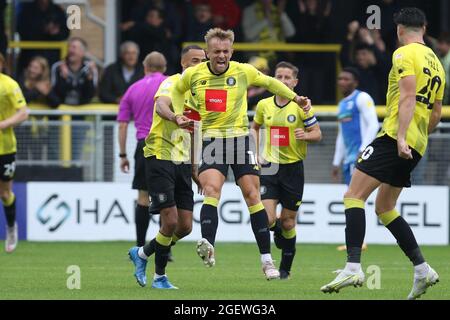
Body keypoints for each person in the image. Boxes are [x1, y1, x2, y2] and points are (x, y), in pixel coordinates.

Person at [321, 7, 446, 300]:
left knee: (353, 196)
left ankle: (353, 266)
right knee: (384, 208)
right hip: (418, 143)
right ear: (424, 29)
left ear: (400, 30)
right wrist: (415, 139)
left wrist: (401, 137)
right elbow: (437, 112)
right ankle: (422, 269)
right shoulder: (437, 62)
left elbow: (407, 95)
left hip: (393, 137)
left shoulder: (403, 54)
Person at [170, 28, 311, 280]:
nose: (221, 56)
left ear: (232, 51)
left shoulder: (242, 70)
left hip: (239, 139)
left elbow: (269, 82)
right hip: (213, 141)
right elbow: (177, 91)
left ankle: (267, 262)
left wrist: (295, 97)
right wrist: (180, 113)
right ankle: (208, 245)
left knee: (252, 195)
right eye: (216, 52)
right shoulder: (193, 75)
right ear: (207, 53)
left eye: (226, 51)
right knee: (211, 191)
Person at [128, 45, 206, 289]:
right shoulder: (172, 84)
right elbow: (161, 106)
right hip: (159, 156)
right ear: (183, 64)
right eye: (193, 60)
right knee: (170, 221)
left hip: (183, 161)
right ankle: (159, 277)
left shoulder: (201, 94)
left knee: (185, 226)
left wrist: (195, 168)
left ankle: (141, 253)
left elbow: (196, 133)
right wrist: (174, 117)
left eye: (202, 61)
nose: (198, 64)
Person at [251, 61, 322, 279]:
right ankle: (271, 258)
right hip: (270, 168)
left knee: (288, 221)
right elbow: (254, 129)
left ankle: (285, 270)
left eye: (287, 77)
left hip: (293, 170)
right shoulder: (264, 105)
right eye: (279, 77)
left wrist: (306, 135)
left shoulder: (302, 106)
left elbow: (317, 133)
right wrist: (257, 153)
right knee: (268, 218)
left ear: (295, 82)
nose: (282, 81)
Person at [117, 51, 167, 248]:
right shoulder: (170, 84)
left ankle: (139, 245)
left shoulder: (132, 89)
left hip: (143, 145)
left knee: (143, 197)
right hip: (167, 143)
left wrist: (123, 155)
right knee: (167, 197)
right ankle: (165, 247)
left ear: (144, 68)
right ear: (164, 68)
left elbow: (122, 125)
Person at [0, 53, 29, 253]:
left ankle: (11, 227)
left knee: (4, 193)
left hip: (5, 147)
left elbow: (24, 112)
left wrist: (3, 124)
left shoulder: (9, 85)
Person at [332, 67, 379, 185]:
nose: (342, 82)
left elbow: (373, 125)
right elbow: (341, 135)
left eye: (346, 79)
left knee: (355, 196)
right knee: (351, 196)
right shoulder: (342, 104)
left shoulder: (362, 97)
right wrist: (336, 162)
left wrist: (362, 150)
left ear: (355, 82)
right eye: (340, 79)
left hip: (361, 158)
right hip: (349, 160)